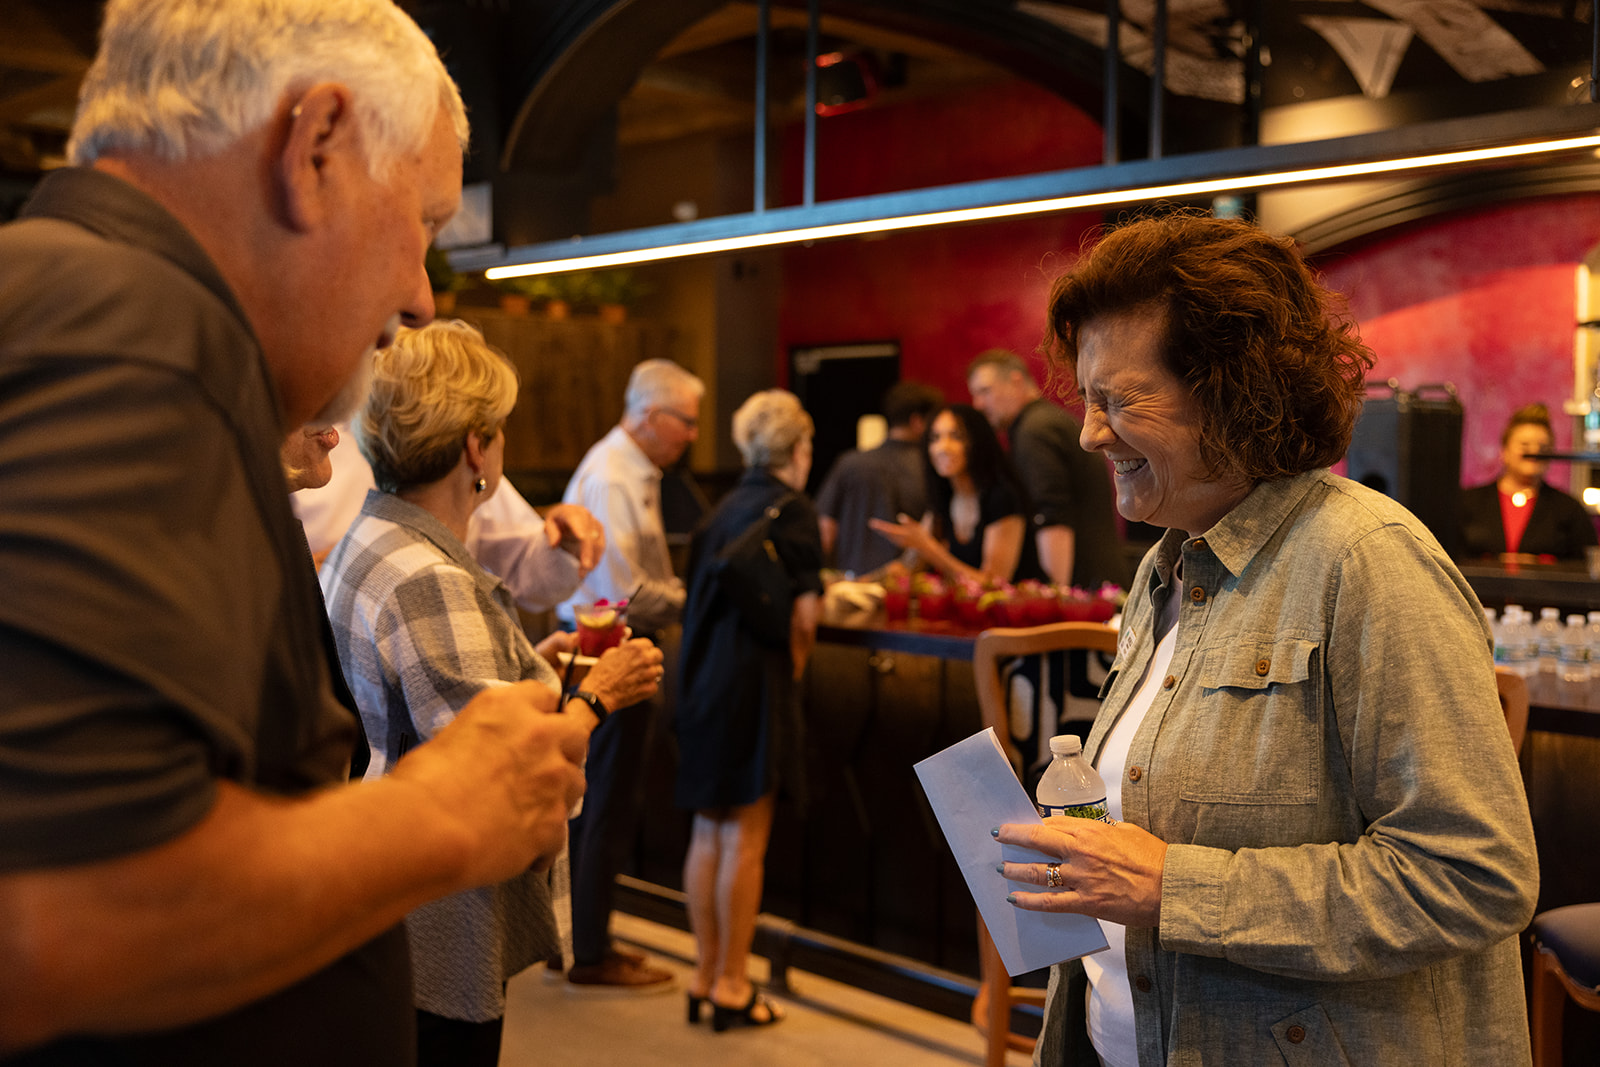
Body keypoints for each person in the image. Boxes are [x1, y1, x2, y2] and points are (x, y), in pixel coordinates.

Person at [0, 2, 593, 1061]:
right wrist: (450, 808)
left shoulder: (87, 302)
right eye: (422, 222)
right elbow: (54, 912)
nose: (418, 294)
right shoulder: (129, 327)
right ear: (313, 146)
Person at [994, 213, 1538, 1066]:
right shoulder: (1165, 569)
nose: (1092, 433)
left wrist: (1174, 886)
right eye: (1087, 400)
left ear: (1233, 391)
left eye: (1119, 399)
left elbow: (1473, 876)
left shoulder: (1368, 562)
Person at [319, 321, 663, 1066]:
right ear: (477, 447)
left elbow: (432, 695)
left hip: (384, 881)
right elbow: (498, 771)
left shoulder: (372, 537)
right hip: (438, 915)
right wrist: (600, 693)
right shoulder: (431, 574)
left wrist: (530, 660)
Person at [676, 389, 823, 1032]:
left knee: (708, 831)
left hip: (701, 683)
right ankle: (734, 984)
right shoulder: (792, 511)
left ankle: (703, 974)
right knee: (747, 837)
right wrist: (791, 675)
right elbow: (805, 618)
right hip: (754, 688)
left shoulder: (720, 510)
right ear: (796, 448)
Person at [555, 358, 705, 989]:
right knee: (605, 804)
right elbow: (623, 591)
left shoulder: (630, 469)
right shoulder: (615, 476)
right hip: (608, 646)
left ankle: (592, 940)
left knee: (608, 802)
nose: (692, 435)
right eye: (686, 422)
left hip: (612, 641)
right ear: (650, 416)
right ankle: (587, 952)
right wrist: (695, 597)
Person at [295, 425, 606, 606]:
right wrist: (308, 572)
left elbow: (527, 566)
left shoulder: (447, 449)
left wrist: (564, 543)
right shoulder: (298, 442)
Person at [967, 349, 1130, 589]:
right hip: (1099, 580)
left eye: (984, 391)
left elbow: (1051, 516)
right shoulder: (1045, 420)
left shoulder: (1034, 430)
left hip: (1083, 590)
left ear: (1016, 381)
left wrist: (1055, 596)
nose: (977, 404)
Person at [869, 403, 1044, 586]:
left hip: (1017, 610)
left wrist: (929, 548)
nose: (942, 447)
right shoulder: (943, 497)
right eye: (935, 438)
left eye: (956, 437)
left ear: (977, 442)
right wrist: (855, 583)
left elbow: (994, 584)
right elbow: (908, 567)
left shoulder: (1002, 497)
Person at [814, 380, 944, 575]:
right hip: (909, 588)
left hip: (851, 583)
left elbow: (825, 532)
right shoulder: (933, 468)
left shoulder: (849, 462)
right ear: (918, 421)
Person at [1458, 401, 1598, 561]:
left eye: (1543, 447)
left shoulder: (1569, 509)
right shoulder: (1468, 503)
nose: (1534, 451)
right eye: (1525, 445)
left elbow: (1584, 567)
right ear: (1504, 451)